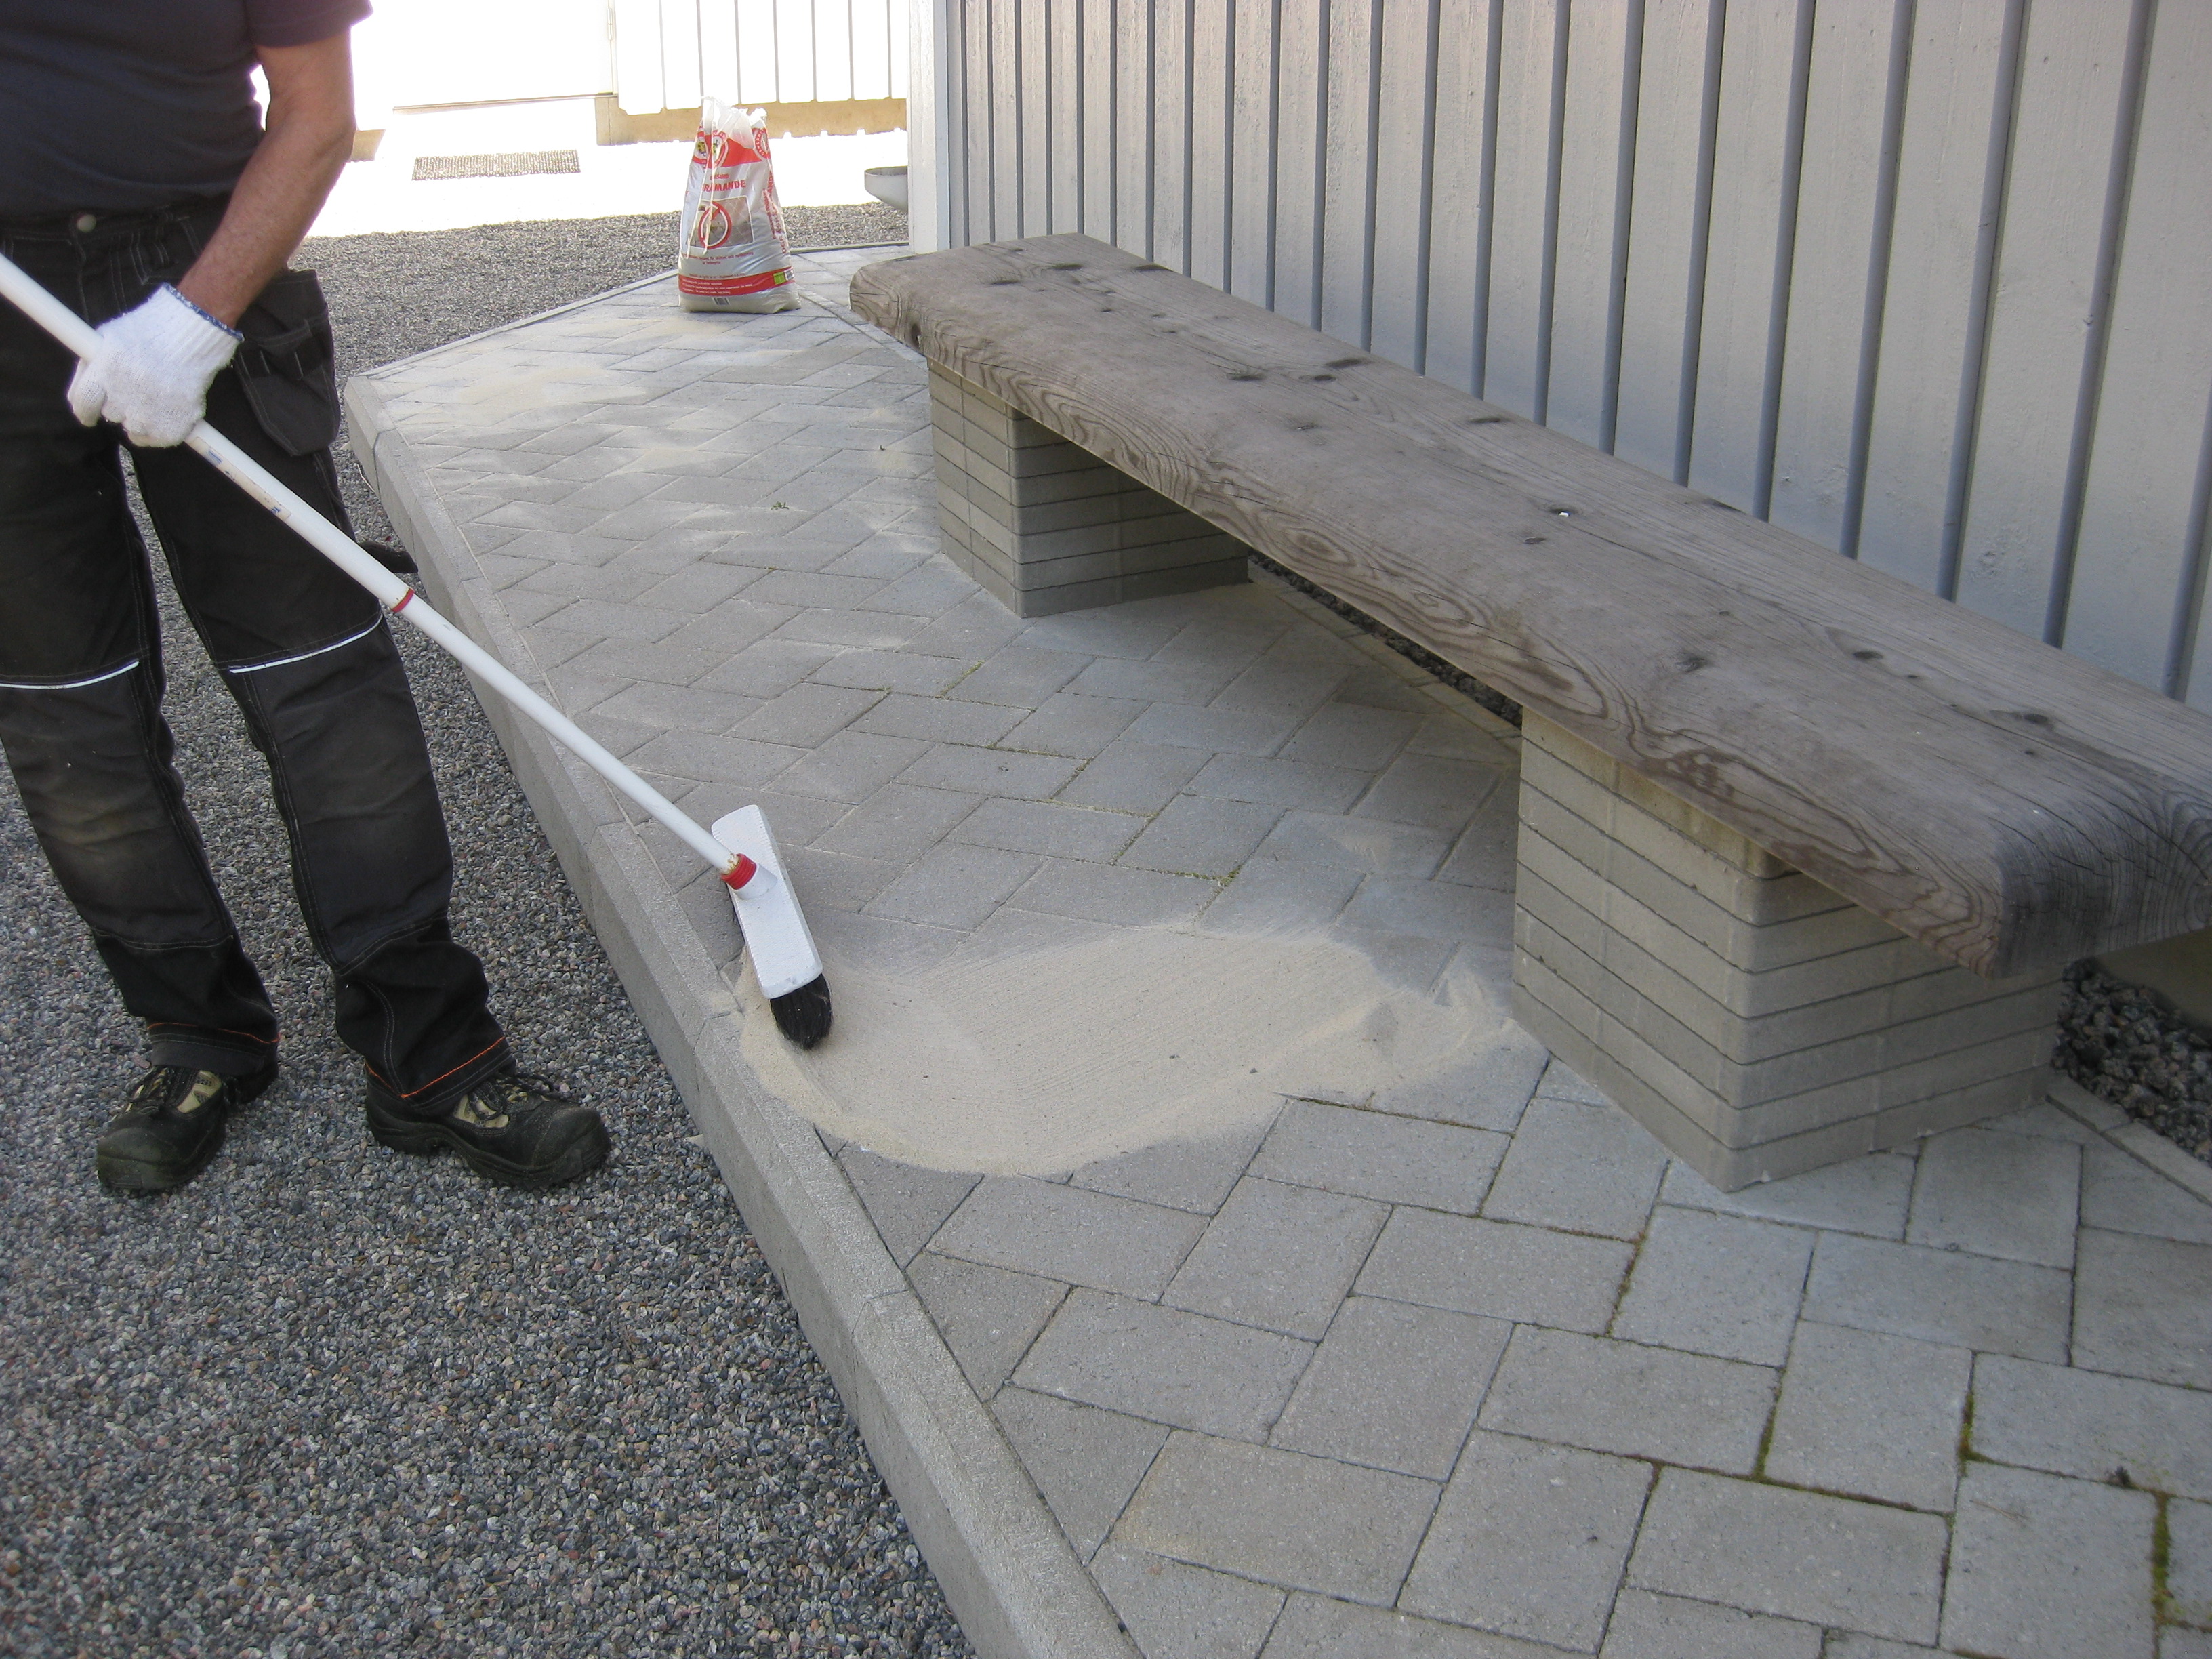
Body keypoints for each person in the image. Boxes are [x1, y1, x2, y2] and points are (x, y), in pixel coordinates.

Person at [0, 2, 609, 1193]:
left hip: (206, 253)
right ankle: (198, 1035)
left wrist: (195, 320)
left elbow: (316, 114)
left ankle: (430, 1054)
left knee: (322, 684)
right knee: (69, 714)